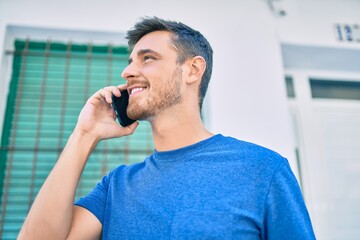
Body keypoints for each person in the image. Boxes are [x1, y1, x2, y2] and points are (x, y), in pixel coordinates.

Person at [18, 16, 316, 239]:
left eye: (148, 58)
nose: (128, 71)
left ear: (192, 70)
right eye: (130, 61)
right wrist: (84, 135)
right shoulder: (117, 187)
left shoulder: (262, 169)